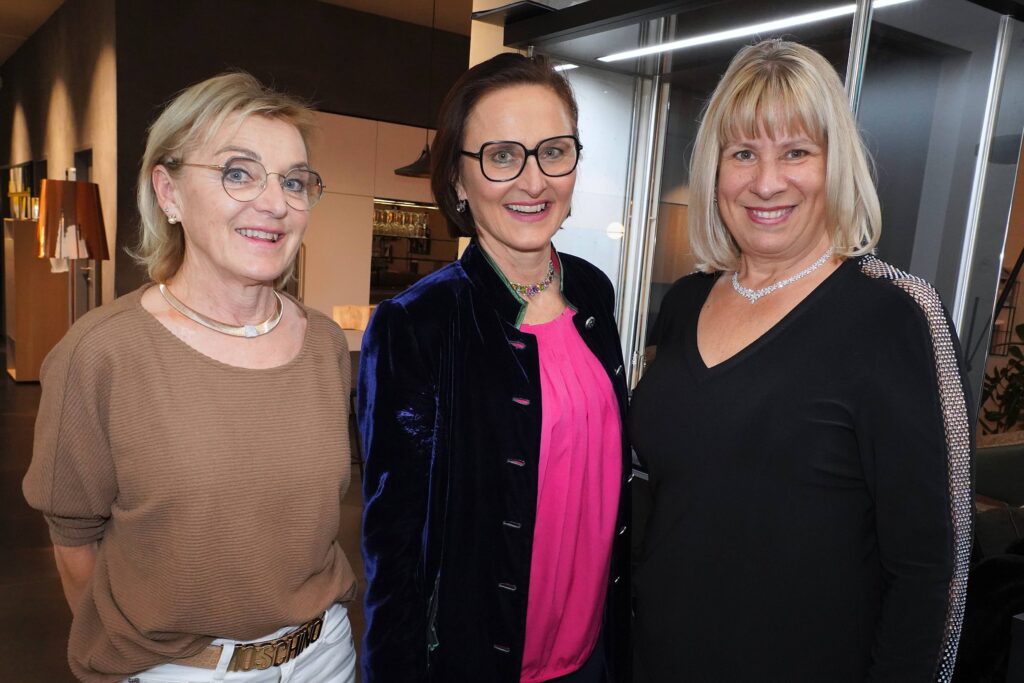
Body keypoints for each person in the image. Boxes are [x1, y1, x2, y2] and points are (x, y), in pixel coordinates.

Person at [629, 39, 973, 682]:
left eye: (796, 152)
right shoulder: (685, 301)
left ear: (835, 163)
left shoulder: (896, 316)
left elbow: (932, 571)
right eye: (743, 153)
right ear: (714, 169)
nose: (766, 182)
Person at [23, 72, 358, 683]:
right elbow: (73, 540)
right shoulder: (101, 354)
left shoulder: (325, 344)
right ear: (168, 192)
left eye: (293, 181)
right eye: (239, 173)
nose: (275, 202)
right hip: (182, 670)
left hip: (326, 654)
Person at [358, 53, 631, 683]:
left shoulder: (594, 291)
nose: (533, 182)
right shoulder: (417, 323)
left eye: (553, 152)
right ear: (458, 180)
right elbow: (392, 547)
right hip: (482, 660)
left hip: (596, 654)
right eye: (502, 156)